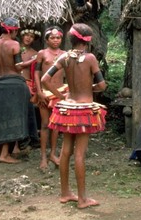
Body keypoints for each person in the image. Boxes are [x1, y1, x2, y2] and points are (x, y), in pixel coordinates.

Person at [42, 23, 106, 209]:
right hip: (84, 109)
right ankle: (82, 199)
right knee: (79, 154)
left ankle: (64, 193)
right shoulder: (90, 58)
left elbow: (45, 79)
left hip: (67, 108)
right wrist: (89, 88)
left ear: (71, 39)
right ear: (87, 41)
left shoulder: (63, 57)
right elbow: (102, 86)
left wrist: (61, 96)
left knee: (65, 151)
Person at [0, 17, 33, 164]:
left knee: (3, 116)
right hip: (13, 83)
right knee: (15, 116)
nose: (17, 33)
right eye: (16, 31)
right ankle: (5, 154)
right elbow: (19, 66)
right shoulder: (14, 44)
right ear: (11, 30)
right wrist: (34, 59)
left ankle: (12, 149)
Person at [33, 26, 67, 169]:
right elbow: (36, 73)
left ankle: (53, 154)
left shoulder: (65, 54)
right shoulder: (42, 53)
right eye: (52, 38)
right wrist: (39, 91)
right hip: (45, 93)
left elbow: (70, 73)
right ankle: (43, 157)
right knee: (45, 124)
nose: (55, 40)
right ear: (47, 40)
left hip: (60, 92)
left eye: (58, 38)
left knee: (56, 125)